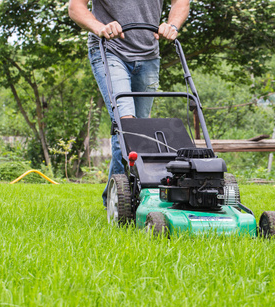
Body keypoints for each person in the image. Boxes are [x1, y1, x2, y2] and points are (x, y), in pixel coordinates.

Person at [69, 0, 190, 206]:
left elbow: (181, 2)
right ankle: (122, 201)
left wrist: (172, 25)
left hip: (149, 55)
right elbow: (75, 7)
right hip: (109, 49)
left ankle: (117, 194)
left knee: (140, 131)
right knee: (127, 126)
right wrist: (100, 27)